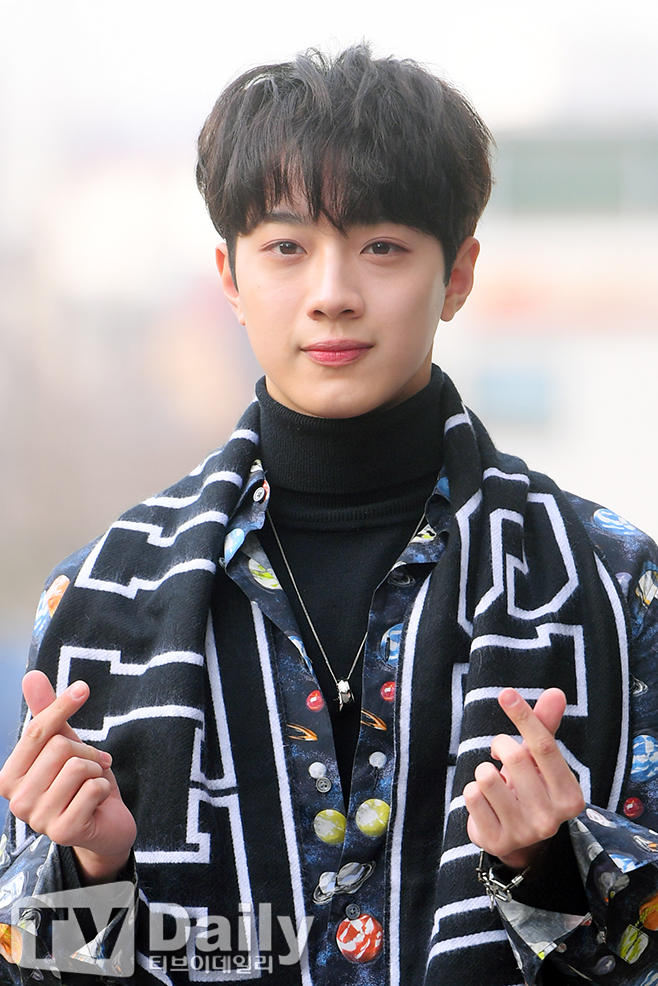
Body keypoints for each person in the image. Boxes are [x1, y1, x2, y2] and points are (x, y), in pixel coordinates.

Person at [2, 45, 658, 986]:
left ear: (459, 274)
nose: (333, 295)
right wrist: (89, 866)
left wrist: (547, 867)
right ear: (229, 277)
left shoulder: (610, 581)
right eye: (286, 247)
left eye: (382, 246)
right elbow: (41, 963)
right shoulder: (104, 596)